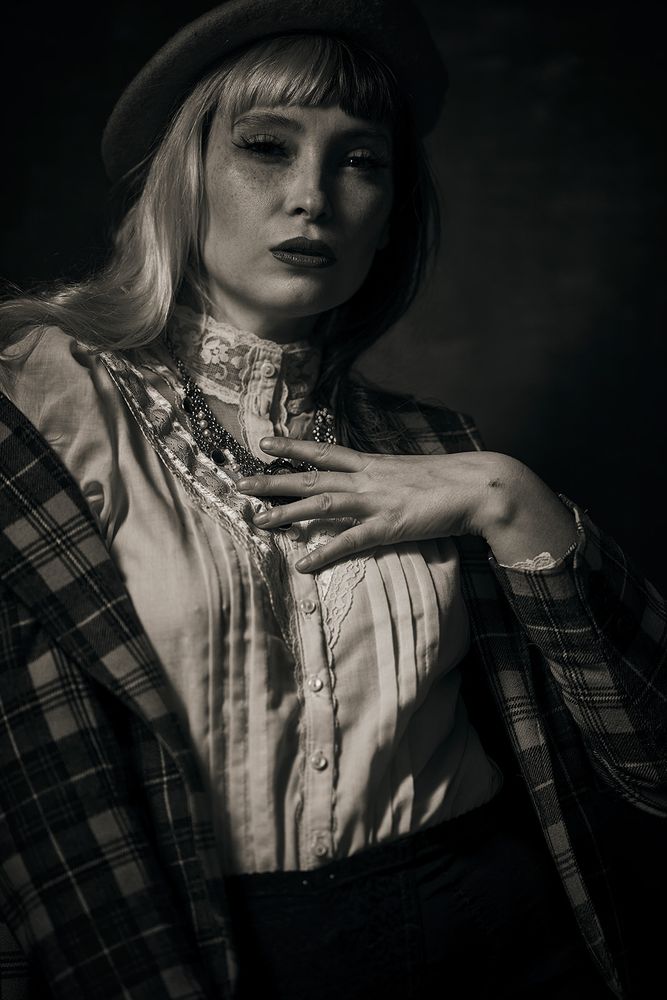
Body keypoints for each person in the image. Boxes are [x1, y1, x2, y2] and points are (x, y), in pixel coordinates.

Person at [0, 2, 664, 998]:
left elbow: (650, 757)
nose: (314, 195)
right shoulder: (36, 412)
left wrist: (506, 495)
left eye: (362, 160)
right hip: (186, 945)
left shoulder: (438, 448)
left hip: (498, 932)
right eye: (267, 147)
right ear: (181, 174)